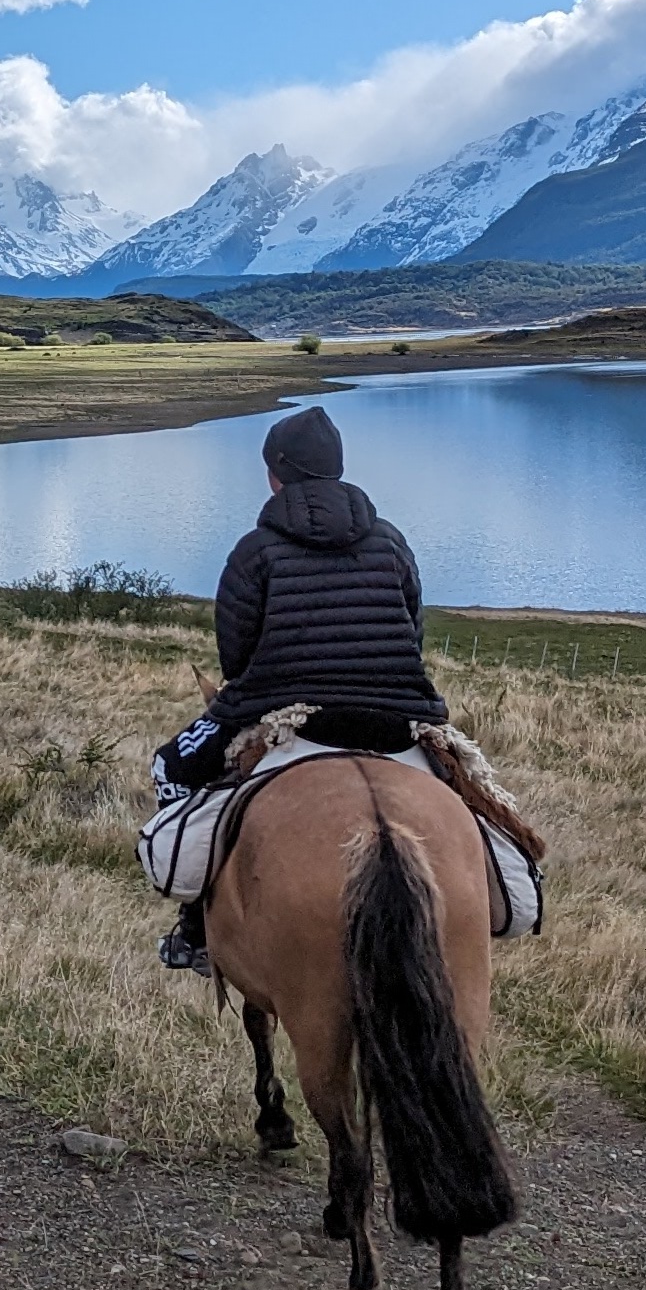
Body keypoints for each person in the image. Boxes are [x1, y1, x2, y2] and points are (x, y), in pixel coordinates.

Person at [151, 405, 446, 970]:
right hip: (398, 710)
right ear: (336, 468)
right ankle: (510, 895)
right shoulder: (391, 541)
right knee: (471, 794)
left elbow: (234, 654)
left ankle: (196, 925)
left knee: (169, 768)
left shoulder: (255, 549)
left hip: (281, 707)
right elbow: (413, 631)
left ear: (275, 473)